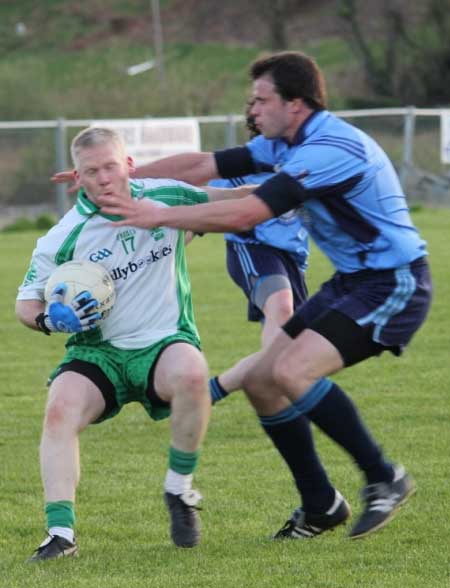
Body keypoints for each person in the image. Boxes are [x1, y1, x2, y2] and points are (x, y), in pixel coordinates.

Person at [96, 51, 433, 541]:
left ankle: (384, 477)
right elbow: (202, 163)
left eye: (261, 100)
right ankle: (320, 503)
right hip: (352, 281)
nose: (252, 110)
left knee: (291, 371)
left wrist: (156, 214)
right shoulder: (289, 142)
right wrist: (119, 179)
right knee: (263, 381)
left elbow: (245, 216)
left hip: (394, 282)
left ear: (295, 104)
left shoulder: (327, 151)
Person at [16, 126, 253, 561]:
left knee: (192, 372)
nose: (104, 178)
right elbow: (25, 304)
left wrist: (299, 191)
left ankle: (179, 491)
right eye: (92, 171)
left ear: (127, 164)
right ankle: (60, 534)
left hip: (163, 342)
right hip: (98, 353)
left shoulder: (167, 196)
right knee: (59, 408)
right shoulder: (62, 237)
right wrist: (49, 318)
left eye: (110, 166)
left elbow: (238, 204)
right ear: (77, 177)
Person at [208, 102, 309, 404]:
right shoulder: (239, 169)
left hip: (292, 260)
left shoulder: (306, 162)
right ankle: (272, 397)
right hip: (251, 250)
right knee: (281, 308)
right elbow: (202, 215)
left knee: (288, 350)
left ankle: (211, 390)